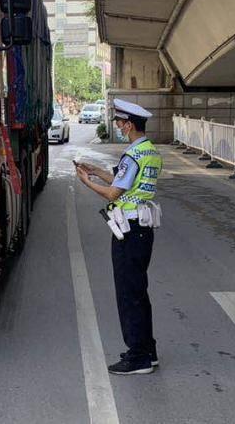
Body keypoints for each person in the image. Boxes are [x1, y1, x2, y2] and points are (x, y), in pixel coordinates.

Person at [75, 99, 163, 376]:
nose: (118, 128)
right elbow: (120, 177)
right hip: (142, 230)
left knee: (129, 295)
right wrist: (94, 169)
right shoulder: (149, 151)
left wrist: (87, 182)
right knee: (139, 292)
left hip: (129, 231)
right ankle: (147, 350)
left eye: (120, 124)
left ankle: (138, 358)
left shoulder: (132, 155)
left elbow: (114, 192)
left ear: (129, 124)